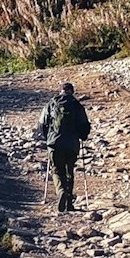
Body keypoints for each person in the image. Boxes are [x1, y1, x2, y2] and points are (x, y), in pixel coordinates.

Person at [35, 80, 91, 212]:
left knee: (57, 170)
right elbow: (84, 126)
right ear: (72, 91)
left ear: (61, 90)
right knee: (69, 171)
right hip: (72, 145)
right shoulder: (77, 105)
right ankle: (69, 203)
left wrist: (47, 138)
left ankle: (61, 192)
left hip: (54, 144)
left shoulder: (51, 103)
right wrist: (83, 136)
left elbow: (42, 124)